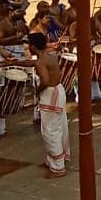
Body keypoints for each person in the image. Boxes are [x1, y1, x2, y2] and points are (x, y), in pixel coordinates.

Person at [30, 32, 70, 178]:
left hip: (50, 94)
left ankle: (58, 167)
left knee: (50, 130)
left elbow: (45, 81)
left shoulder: (41, 62)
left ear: (33, 47)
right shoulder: (50, 56)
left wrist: (37, 90)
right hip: (58, 91)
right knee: (59, 126)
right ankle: (53, 159)